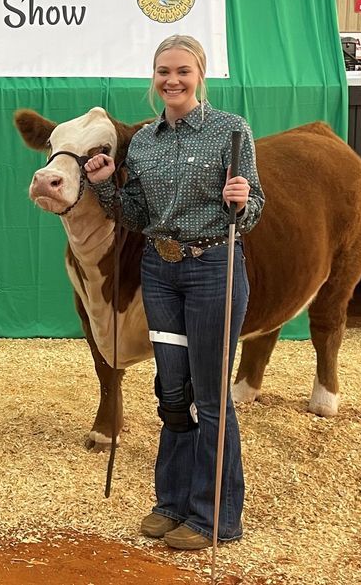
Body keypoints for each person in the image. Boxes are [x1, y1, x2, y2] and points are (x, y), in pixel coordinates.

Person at [84, 35, 264, 550]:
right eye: (164, 71)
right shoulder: (144, 142)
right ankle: (171, 503)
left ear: (200, 74)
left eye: (183, 71)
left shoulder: (232, 132)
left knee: (210, 398)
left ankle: (215, 516)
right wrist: (103, 186)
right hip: (160, 275)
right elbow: (137, 217)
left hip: (213, 268)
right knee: (172, 394)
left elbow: (251, 213)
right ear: (154, 77)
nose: (172, 80)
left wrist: (243, 198)